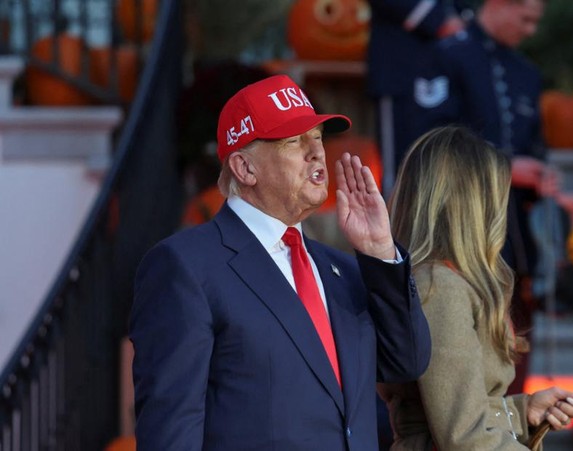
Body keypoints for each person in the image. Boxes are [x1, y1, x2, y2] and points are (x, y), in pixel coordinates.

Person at [129, 74, 432, 450]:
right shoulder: (185, 266)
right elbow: (170, 431)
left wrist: (381, 251)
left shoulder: (342, 269)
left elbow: (406, 361)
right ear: (245, 168)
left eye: (318, 138)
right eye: (294, 142)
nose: (317, 152)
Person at [378, 125, 573, 450]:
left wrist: (521, 411)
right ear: (475, 206)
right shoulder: (440, 288)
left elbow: (456, 413)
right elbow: (465, 438)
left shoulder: (443, 281)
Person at [409, 0, 562, 393]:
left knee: (518, 322)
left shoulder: (527, 73)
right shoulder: (445, 57)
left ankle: (516, 422)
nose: (531, 30)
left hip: (518, 228)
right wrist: (507, 167)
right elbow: (432, 144)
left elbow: (536, 144)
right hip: (461, 224)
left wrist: (543, 172)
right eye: (526, 18)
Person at [366, 0, 471, 191]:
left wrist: (463, 19)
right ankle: (393, 218)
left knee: (442, 158)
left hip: (448, 72)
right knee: (402, 165)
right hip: (402, 71)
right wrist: (436, 19)